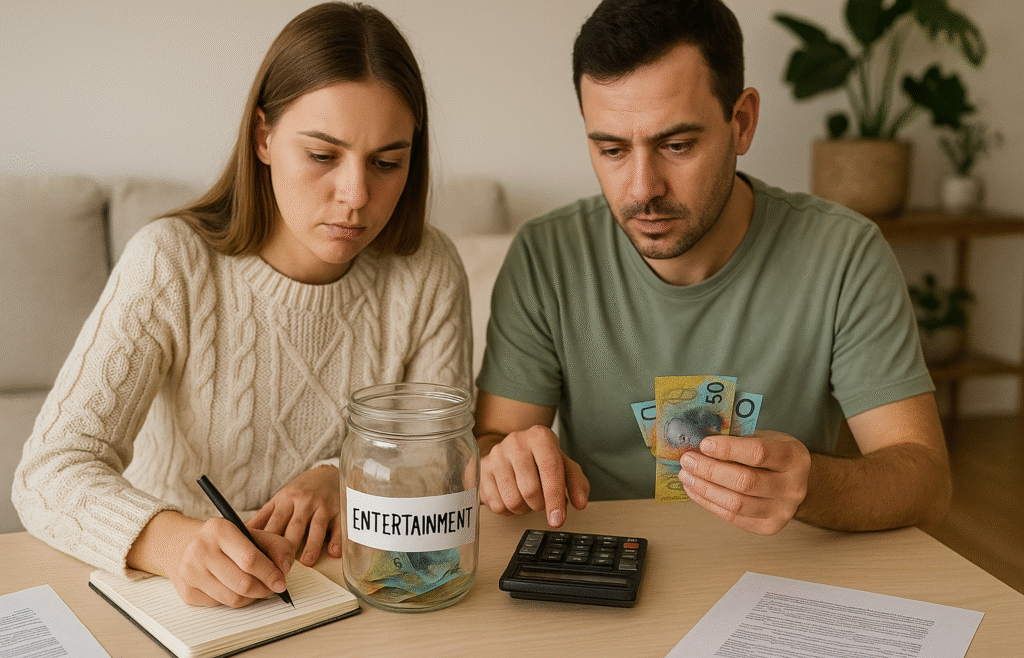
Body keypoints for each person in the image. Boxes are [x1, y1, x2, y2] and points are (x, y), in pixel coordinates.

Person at [13, 2, 471, 607]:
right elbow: (49, 471)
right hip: (176, 596)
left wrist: (342, 475)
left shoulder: (428, 269)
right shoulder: (171, 262)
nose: (356, 195)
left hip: (345, 591)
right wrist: (173, 543)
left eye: (388, 163)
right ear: (263, 137)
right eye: (322, 155)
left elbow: (443, 456)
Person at [474, 0, 950, 536]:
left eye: (677, 145)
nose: (642, 189)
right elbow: (492, 444)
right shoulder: (546, 256)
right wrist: (503, 463)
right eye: (612, 150)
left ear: (741, 123)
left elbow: (927, 484)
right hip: (606, 562)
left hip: (784, 566)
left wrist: (810, 485)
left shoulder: (844, 254)